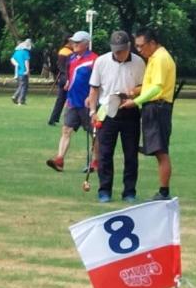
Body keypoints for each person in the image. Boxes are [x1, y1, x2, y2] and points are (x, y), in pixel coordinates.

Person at [87, 30, 145, 203]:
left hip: (130, 110)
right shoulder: (101, 61)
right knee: (105, 153)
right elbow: (94, 88)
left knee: (131, 153)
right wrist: (92, 111)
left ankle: (129, 191)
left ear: (129, 47)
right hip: (106, 110)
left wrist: (134, 92)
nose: (118, 53)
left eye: (121, 50)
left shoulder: (139, 62)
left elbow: (143, 86)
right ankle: (104, 190)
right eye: (115, 50)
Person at [120, 27, 177, 200]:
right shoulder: (154, 57)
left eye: (141, 46)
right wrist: (137, 91)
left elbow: (157, 88)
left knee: (161, 152)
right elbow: (151, 86)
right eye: (136, 46)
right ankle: (162, 189)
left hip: (158, 108)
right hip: (154, 107)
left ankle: (164, 191)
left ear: (152, 43)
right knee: (157, 149)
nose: (139, 50)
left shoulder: (160, 58)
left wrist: (135, 101)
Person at [46, 30, 97, 172]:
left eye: (77, 42)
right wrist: (68, 82)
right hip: (72, 101)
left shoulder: (94, 60)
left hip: (87, 102)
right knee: (66, 130)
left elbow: (99, 82)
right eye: (73, 41)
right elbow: (70, 74)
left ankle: (96, 161)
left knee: (93, 133)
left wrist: (92, 97)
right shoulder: (72, 58)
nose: (74, 44)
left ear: (86, 44)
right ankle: (60, 159)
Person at [48, 40, 74, 126]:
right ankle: (73, 119)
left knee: (60, 100)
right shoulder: (70, 53)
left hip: (62, 77)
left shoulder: (61, 51)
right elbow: (68, 67)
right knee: (73, 99)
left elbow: (59, 66)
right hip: (67, 78)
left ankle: (53, 118)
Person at [10, 39, 32, 105]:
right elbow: (26, 61)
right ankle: (21, 100)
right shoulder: (26, 52)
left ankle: (15, 96)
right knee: (24, 86)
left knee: (21, 85)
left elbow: (12, 59)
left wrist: (16, 66)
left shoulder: (17, 52)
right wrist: (28, 70)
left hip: (18, 72)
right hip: (23, 71)